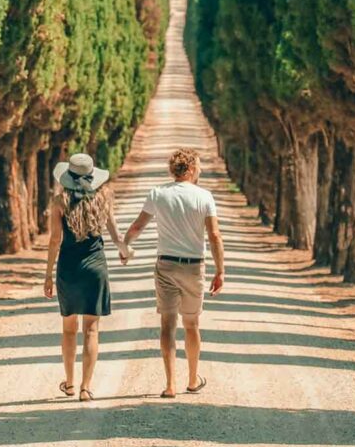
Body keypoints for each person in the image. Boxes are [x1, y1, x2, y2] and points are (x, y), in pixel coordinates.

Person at [122, 147, 224, 398]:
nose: (199, 170)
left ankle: (170, 385)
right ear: (190, 169)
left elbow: (137, 226)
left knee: (167, 325)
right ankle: (191, 379)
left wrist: (125, 247)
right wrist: (220, 269)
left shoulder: (158, 194)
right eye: (197, 166)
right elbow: (214, 235)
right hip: (194, 266)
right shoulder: (204, 197)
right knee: (192, 324)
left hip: (166, 265)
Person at [44, 152, 131, 402]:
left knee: (68, 329)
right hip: (95, 268)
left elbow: (54, 241)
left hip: (68, 268)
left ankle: (69, 383)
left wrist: (48, 275)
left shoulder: (59, 201)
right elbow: (115, 235)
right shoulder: (104, 198)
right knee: (91, 330)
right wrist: (124, 251)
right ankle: (86, 387)